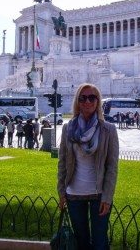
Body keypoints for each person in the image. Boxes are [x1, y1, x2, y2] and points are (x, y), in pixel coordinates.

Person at [58, 83, 119, 250]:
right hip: (74, 195)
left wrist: (107, 197)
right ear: (77, 101)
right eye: (83, 98)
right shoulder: (68, 128)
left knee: (100, 243)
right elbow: (62, 162)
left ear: (98, 101)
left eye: (92, 97)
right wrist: (61, 191)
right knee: (81, 242)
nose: (87, 101)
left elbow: (112, 167)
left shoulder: (108, 130)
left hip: (99, 195)